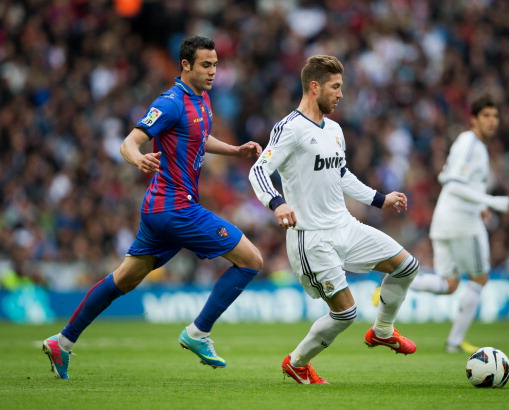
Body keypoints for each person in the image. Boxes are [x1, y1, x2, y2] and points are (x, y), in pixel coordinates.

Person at [42, 35, 263, 379]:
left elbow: (198, 137)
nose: (213, 71)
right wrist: (138, 159)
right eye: (206, 65)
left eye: (215, 65)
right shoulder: (170, 102)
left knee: (124, 279)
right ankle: (198, 332)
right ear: (185, 65)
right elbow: (129, 142)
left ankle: (63, 341)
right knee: (251, 260)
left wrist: (234, 151)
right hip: (175, 209)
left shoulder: (202, 99)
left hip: (161, 210)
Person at [249, 55, 419, 385]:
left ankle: (383, 331)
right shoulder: (290, 128)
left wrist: (380, 199)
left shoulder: (335, 129)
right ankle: (297, 363)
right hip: (311, 237)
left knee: (407, 266)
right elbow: (258, 171)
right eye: (335, 87)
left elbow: (341, 175)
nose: (341, 94)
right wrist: (277, 203)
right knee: (346, 313)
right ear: (314, 87)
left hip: (345, 227)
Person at [407, 94, 509, 353]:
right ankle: (454, 342)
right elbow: (453, 183)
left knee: (449, 284)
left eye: (495, 116)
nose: (492, 121)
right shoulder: (471, 143)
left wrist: (480, 206)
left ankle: (395, 282)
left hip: (444, 219)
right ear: (473, 119)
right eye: (486, 115)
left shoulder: (468, 144)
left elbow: (452, 180)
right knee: (479, 277)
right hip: (463, 222)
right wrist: (491, 201)